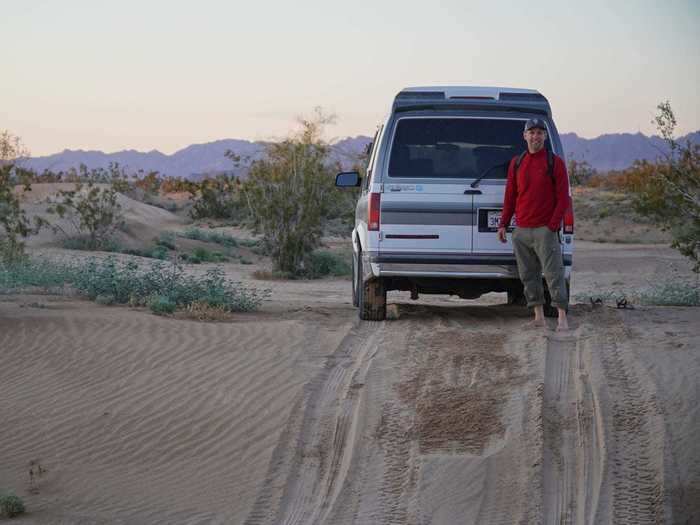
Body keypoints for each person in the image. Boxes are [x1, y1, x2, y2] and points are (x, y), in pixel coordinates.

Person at [497, 118, 570, 331]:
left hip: (544, 230)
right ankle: (538, 317)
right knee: (528, 275)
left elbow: (563, 198)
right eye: (532, 132)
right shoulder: (517, 163)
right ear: (525, 136)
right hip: (521, 230)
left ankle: (562, 318)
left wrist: (552, 226)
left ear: (545, 137)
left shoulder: (554, 162)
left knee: (554, 273)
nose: (536, 136)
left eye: (540, 132)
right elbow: (510, 196)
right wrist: (503, 224)